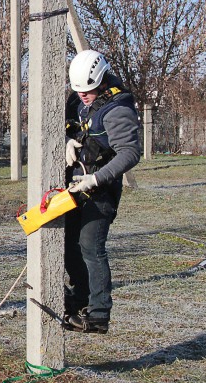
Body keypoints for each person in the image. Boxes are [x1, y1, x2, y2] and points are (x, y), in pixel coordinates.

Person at [63, 50, 141, 334]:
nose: (83, 96)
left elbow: (130, 153)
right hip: (75, 185)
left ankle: (98, 315)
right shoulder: (79, 98)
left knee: (90, 247)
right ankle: (80, 297)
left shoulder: (118, 108)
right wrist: (67, 140)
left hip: (101, 189)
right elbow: (68, 124)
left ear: (102, 80)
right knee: (67, 243)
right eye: (79, 90)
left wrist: (95, 179)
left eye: (89, 90)